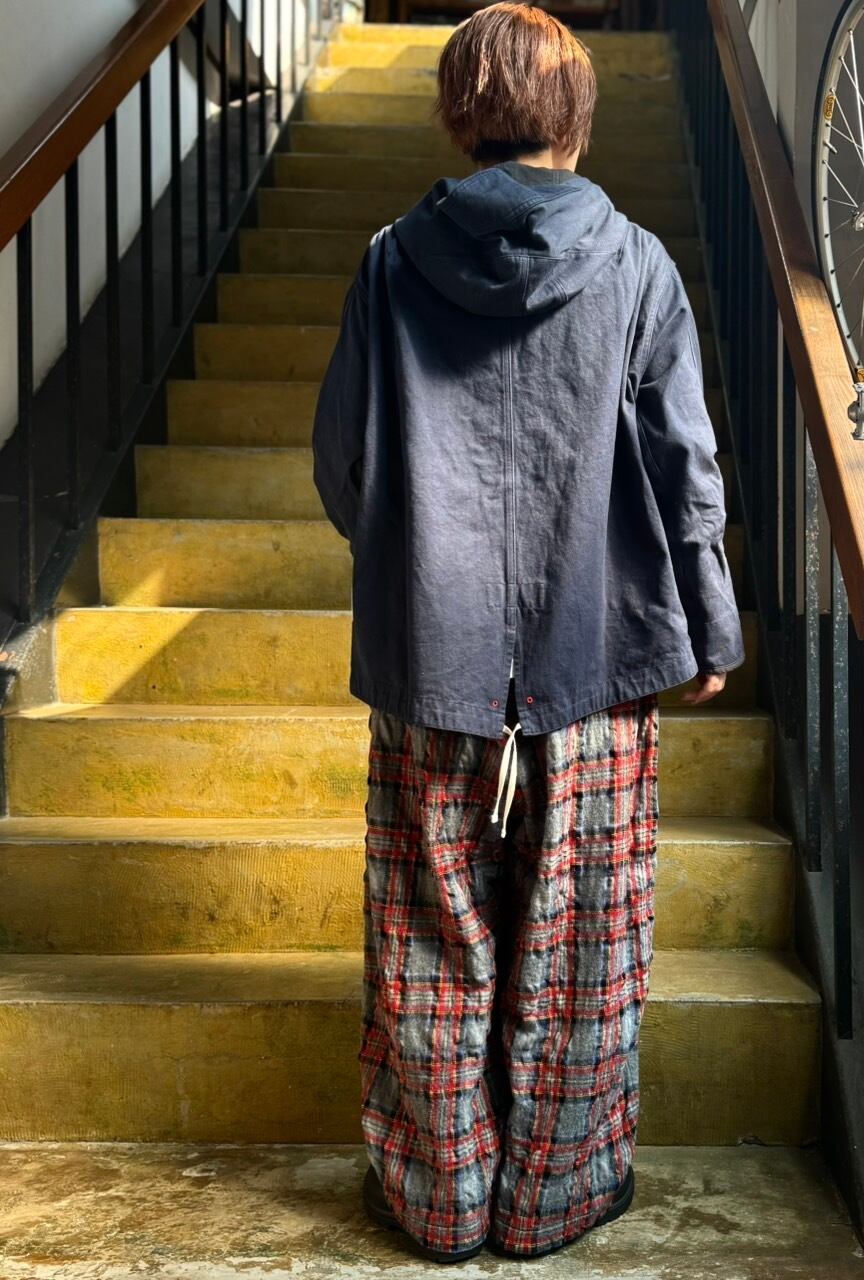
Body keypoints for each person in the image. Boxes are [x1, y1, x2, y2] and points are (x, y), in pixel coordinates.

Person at [311, 1, 745, 1262]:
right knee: (583, 945)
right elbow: (683, 462)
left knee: (426, 940)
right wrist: (708, 623)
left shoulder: (390, 262)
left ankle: (438, 1201)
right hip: (597, 666)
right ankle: (551, 1197)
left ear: (461, 113)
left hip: (428, 669)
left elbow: (343, 460)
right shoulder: (638, 263)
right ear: (575, 116)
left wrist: (413, 573)